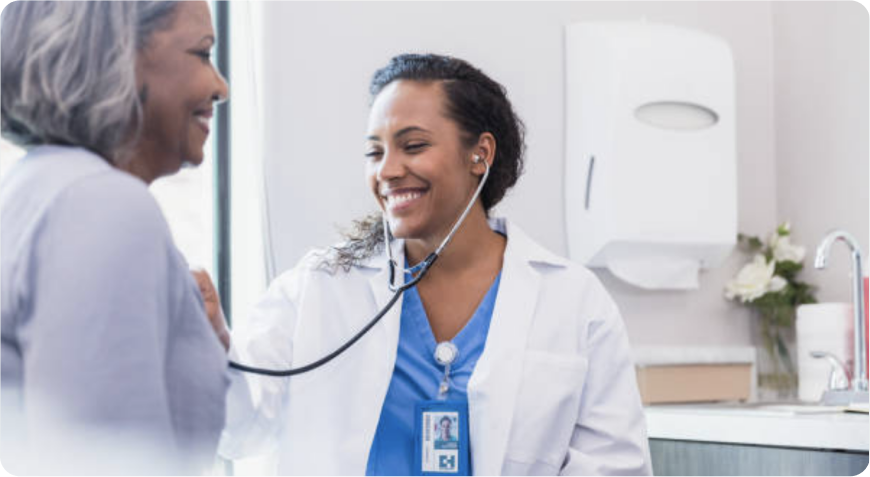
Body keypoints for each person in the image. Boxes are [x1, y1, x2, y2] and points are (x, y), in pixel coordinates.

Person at [215, 53, 652, 477]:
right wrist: (209, 341)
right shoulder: (319, 286)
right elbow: (236, 429)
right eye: (374, 153)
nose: (387, 170)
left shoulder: (574, 301)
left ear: (479, 154)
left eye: (414, 145)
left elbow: (614, 466)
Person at [0, 0, 230, 475]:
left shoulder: (45, 187)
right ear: (118, 55)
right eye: (203, 54)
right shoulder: (101, 205)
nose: (220, 87)